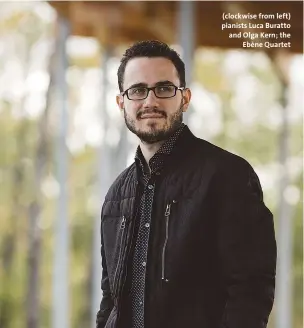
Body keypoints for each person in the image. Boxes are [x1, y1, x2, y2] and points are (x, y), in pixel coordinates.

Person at [96, 40, 277, 328]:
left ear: (185, 98)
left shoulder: (228, 176)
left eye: (164, 88)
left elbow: (251, 290)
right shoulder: (116, 195)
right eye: (138, 90)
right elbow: (110, 299)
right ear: (122, 103)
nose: (150, 101)